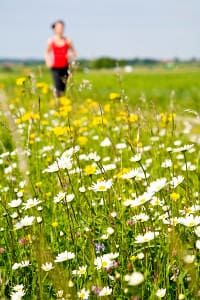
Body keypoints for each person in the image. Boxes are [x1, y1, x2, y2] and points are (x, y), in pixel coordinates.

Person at [45, 20, 77, 97]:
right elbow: (47, 53)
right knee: (57, 85)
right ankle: (57, 101)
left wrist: (69, 56)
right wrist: (48, 62)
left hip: (65, 66)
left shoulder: (68, 41)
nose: (60, 29)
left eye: (62, 27)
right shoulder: (51, 41)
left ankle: (61, 101)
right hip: (55, 67)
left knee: (63, 87)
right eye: (58, 27)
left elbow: (74, 53)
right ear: (55, 29)